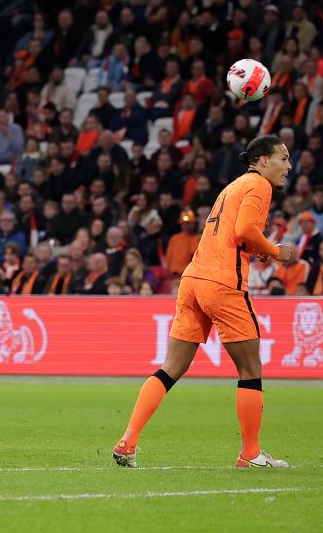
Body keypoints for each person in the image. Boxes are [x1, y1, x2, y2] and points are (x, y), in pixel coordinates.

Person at [113, 135, 295, 469]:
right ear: (264, 161)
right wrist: (274, 251)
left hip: (193, 278)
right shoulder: (260, 186)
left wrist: (256, 248)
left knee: (172, 368)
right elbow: (244, 228)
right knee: (250, 369)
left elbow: (231, 233)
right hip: (223, 282)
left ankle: (128, 441)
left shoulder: (233, 186)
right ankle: (250, 454)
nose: (289, 166)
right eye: (283, 158)